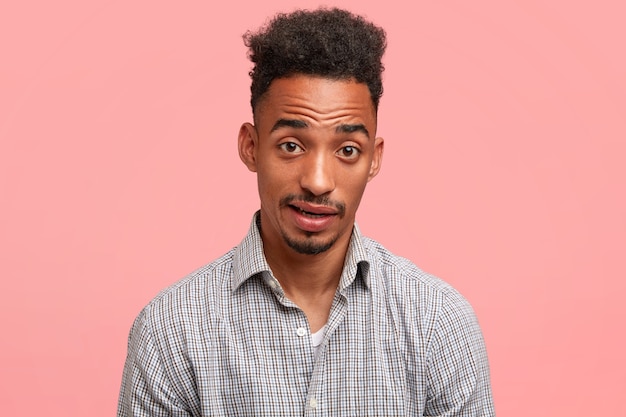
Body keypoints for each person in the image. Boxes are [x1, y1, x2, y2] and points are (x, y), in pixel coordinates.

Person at [117, 8, 495, 416]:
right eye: (292, 145)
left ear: (373, 159)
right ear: (250, 146)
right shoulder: (171, 331)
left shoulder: (438, 322)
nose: (317, 181)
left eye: (347, 150)